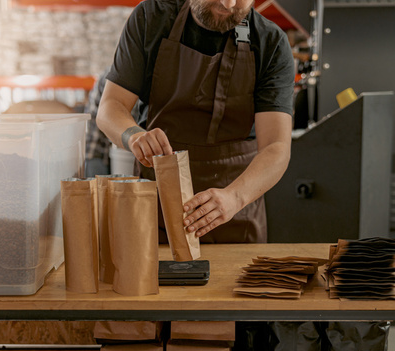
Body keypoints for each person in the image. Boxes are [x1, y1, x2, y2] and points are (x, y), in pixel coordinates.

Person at [97, 0, 294, 243]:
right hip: (158, 210)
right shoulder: (152, 18)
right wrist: (134, 135)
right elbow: (110, 107)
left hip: (235, 215)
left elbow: (276, 148)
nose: (228, 3)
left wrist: (234, 197)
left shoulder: (270, 42)